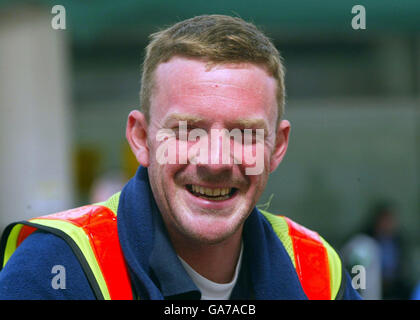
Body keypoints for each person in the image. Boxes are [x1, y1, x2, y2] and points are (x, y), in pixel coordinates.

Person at [0, 15, 361, 300]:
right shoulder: (51, 269)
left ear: (277, 147)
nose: (216, 161)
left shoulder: (316, 270)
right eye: (188, 130)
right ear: (141, 139)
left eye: (245, 133)